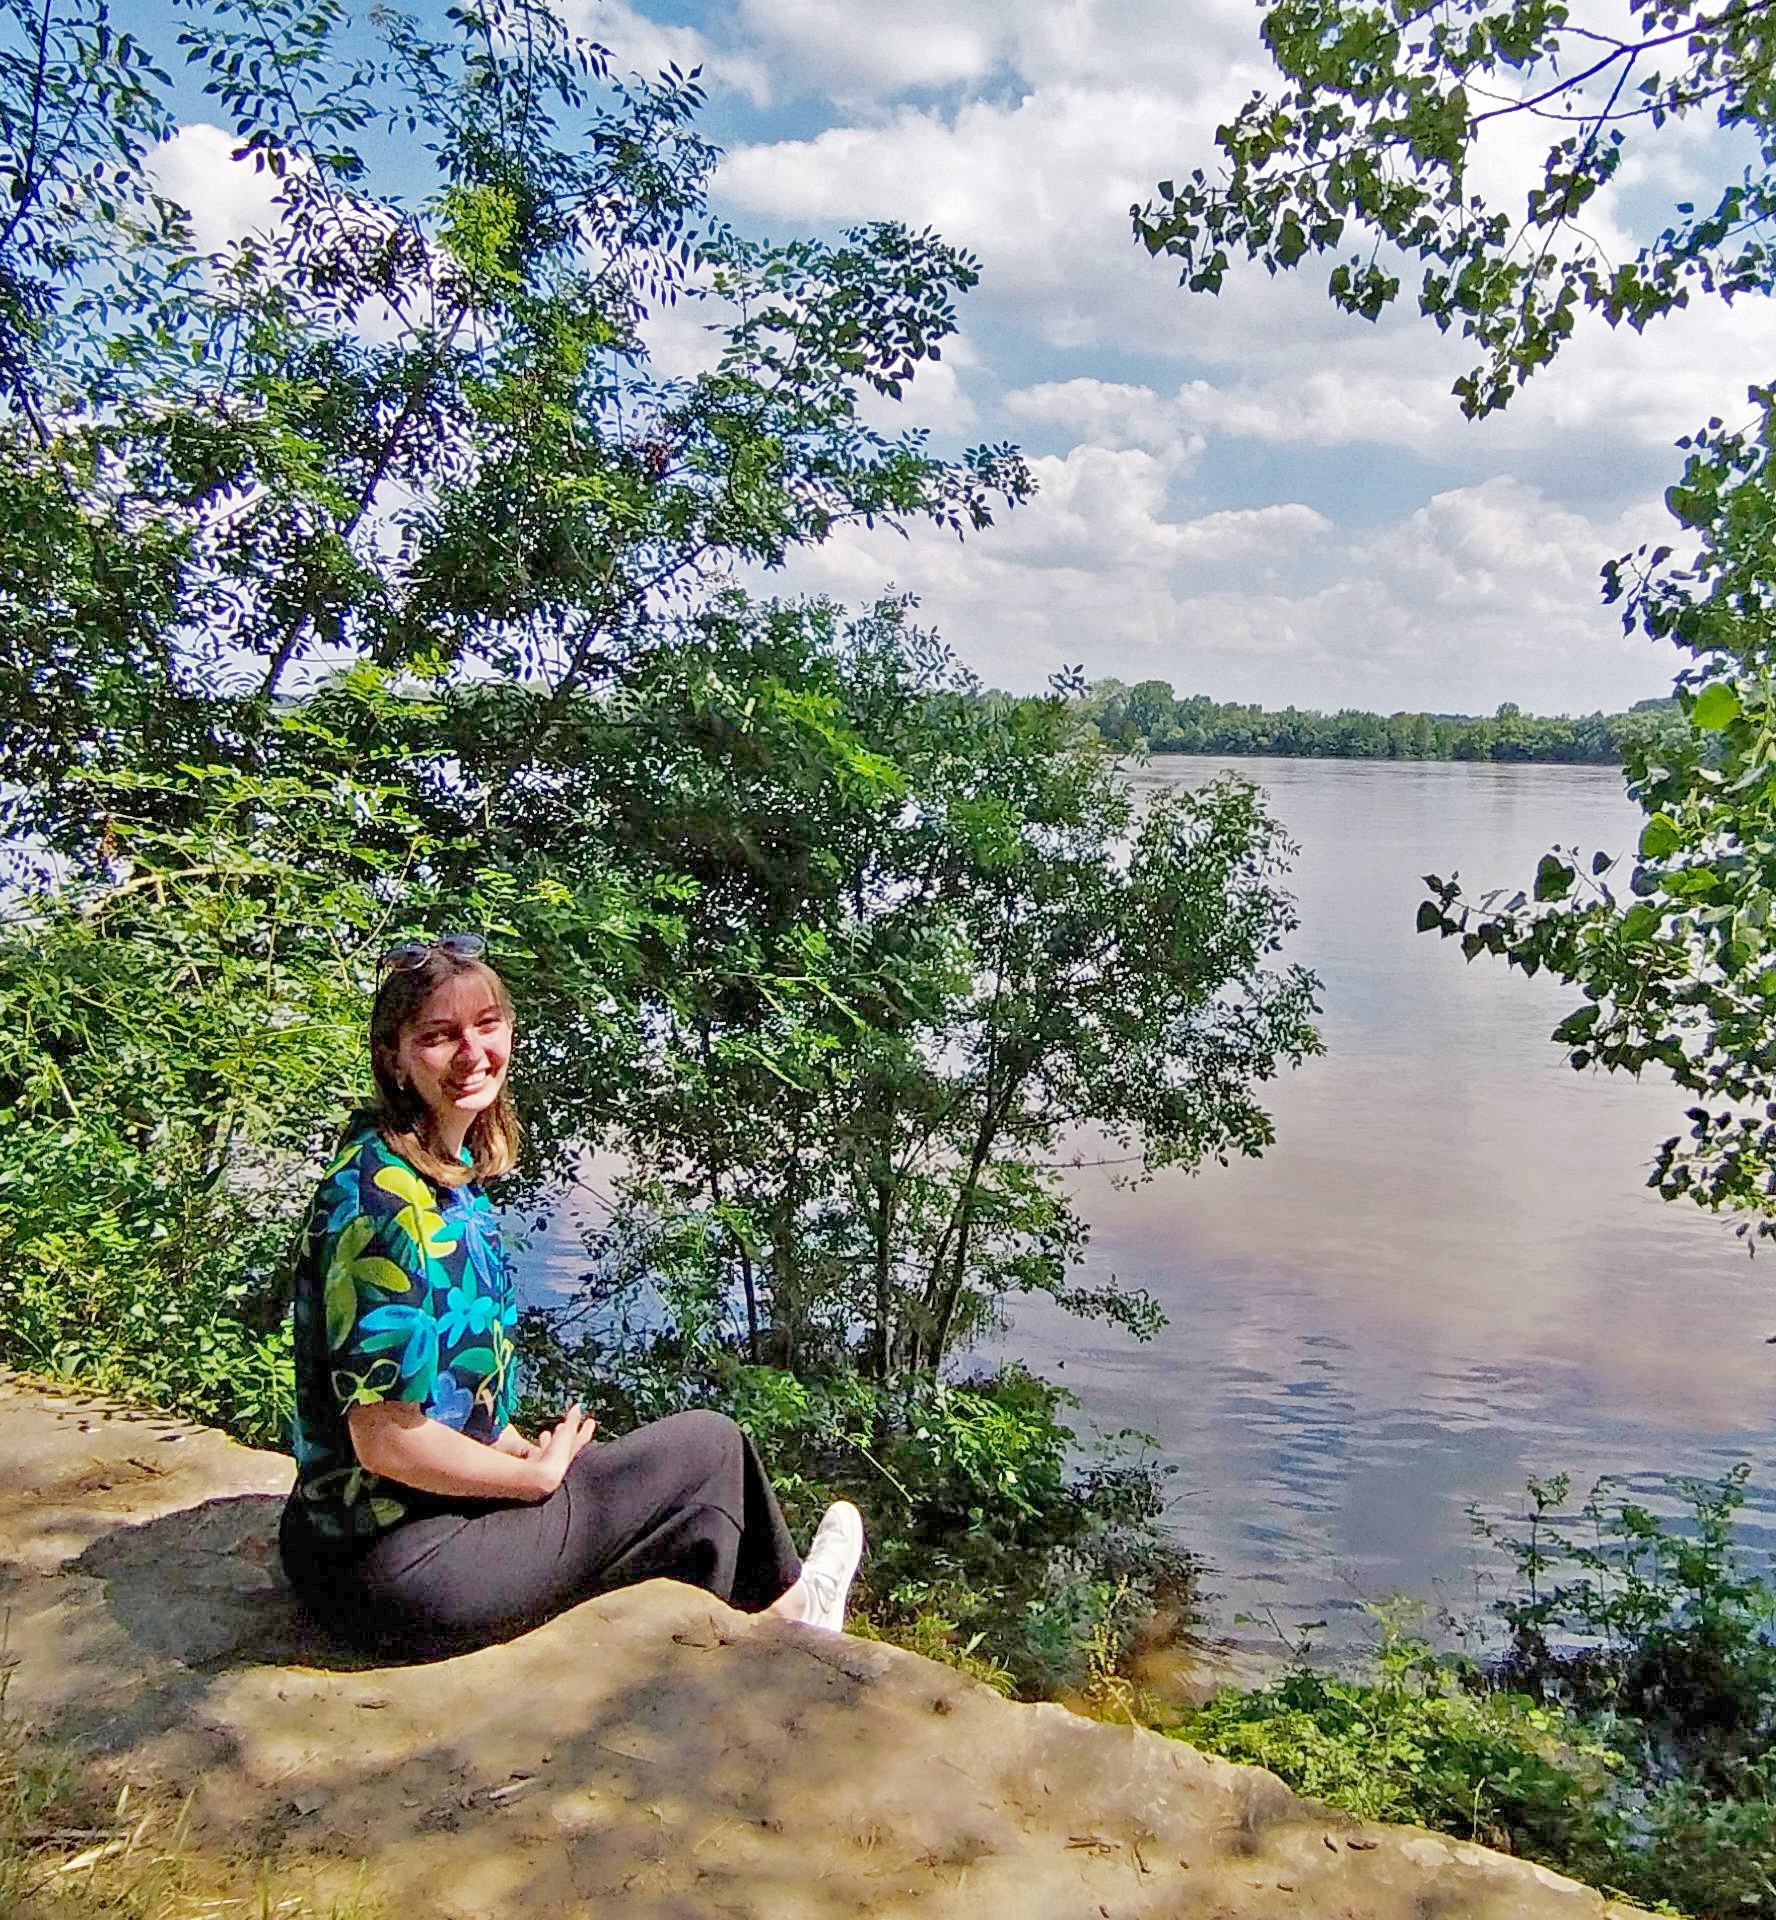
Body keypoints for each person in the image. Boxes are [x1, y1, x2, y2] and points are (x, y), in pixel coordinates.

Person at [278, 933, 863, 1653]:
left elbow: (448, 1395)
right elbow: (386, 1441)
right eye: (438, 1036)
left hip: (364, 1537)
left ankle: (757, 1626)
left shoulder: (433, 1172)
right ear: (395, 1055)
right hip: (400, 1567)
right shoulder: (385, 1202)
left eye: (486, 1026)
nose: (471, 1054)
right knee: (710, 1448)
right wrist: (534, 1480)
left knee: (630, 1478)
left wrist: (518, 1450)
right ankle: (795, 1617)